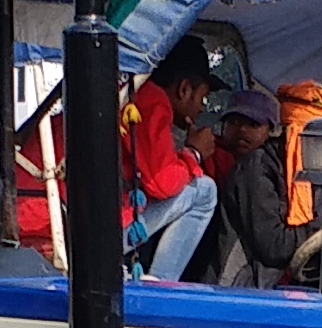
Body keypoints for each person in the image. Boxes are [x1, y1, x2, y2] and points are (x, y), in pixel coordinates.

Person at [125, 36, 220, 282]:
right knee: (205, 191)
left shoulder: (130, 96)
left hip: (63, 217)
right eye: (203, 98)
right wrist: (194, 153)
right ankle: (162, 284)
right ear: (184, 89)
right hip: (87, 232)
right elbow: (161, 182)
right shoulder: (150, 101)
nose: (201, 108)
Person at [204, 88, 303, 286]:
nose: (242, 130)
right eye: (234, 122)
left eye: (253, 124)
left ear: (272, 131)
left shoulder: (284, 169)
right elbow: (274, 247)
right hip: (231, 287)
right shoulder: (249, 167)